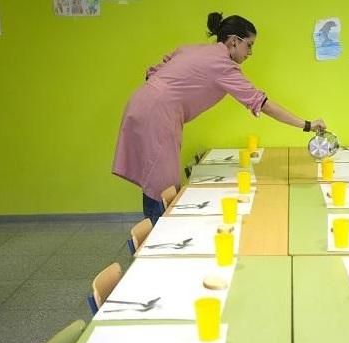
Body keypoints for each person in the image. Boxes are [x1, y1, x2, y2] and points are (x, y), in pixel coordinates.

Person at [112, 12, 326, 224]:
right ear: (234, 41)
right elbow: (262, 103)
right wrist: (307, 125)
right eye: (249, 45)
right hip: (159, 113)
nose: (250, 53)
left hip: (142, 102)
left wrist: (162, 94)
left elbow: (156, 69)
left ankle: (156, 228)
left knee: (155, 175)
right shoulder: (223, 65)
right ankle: (158, 234)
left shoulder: (195, 49)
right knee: (162, 183)